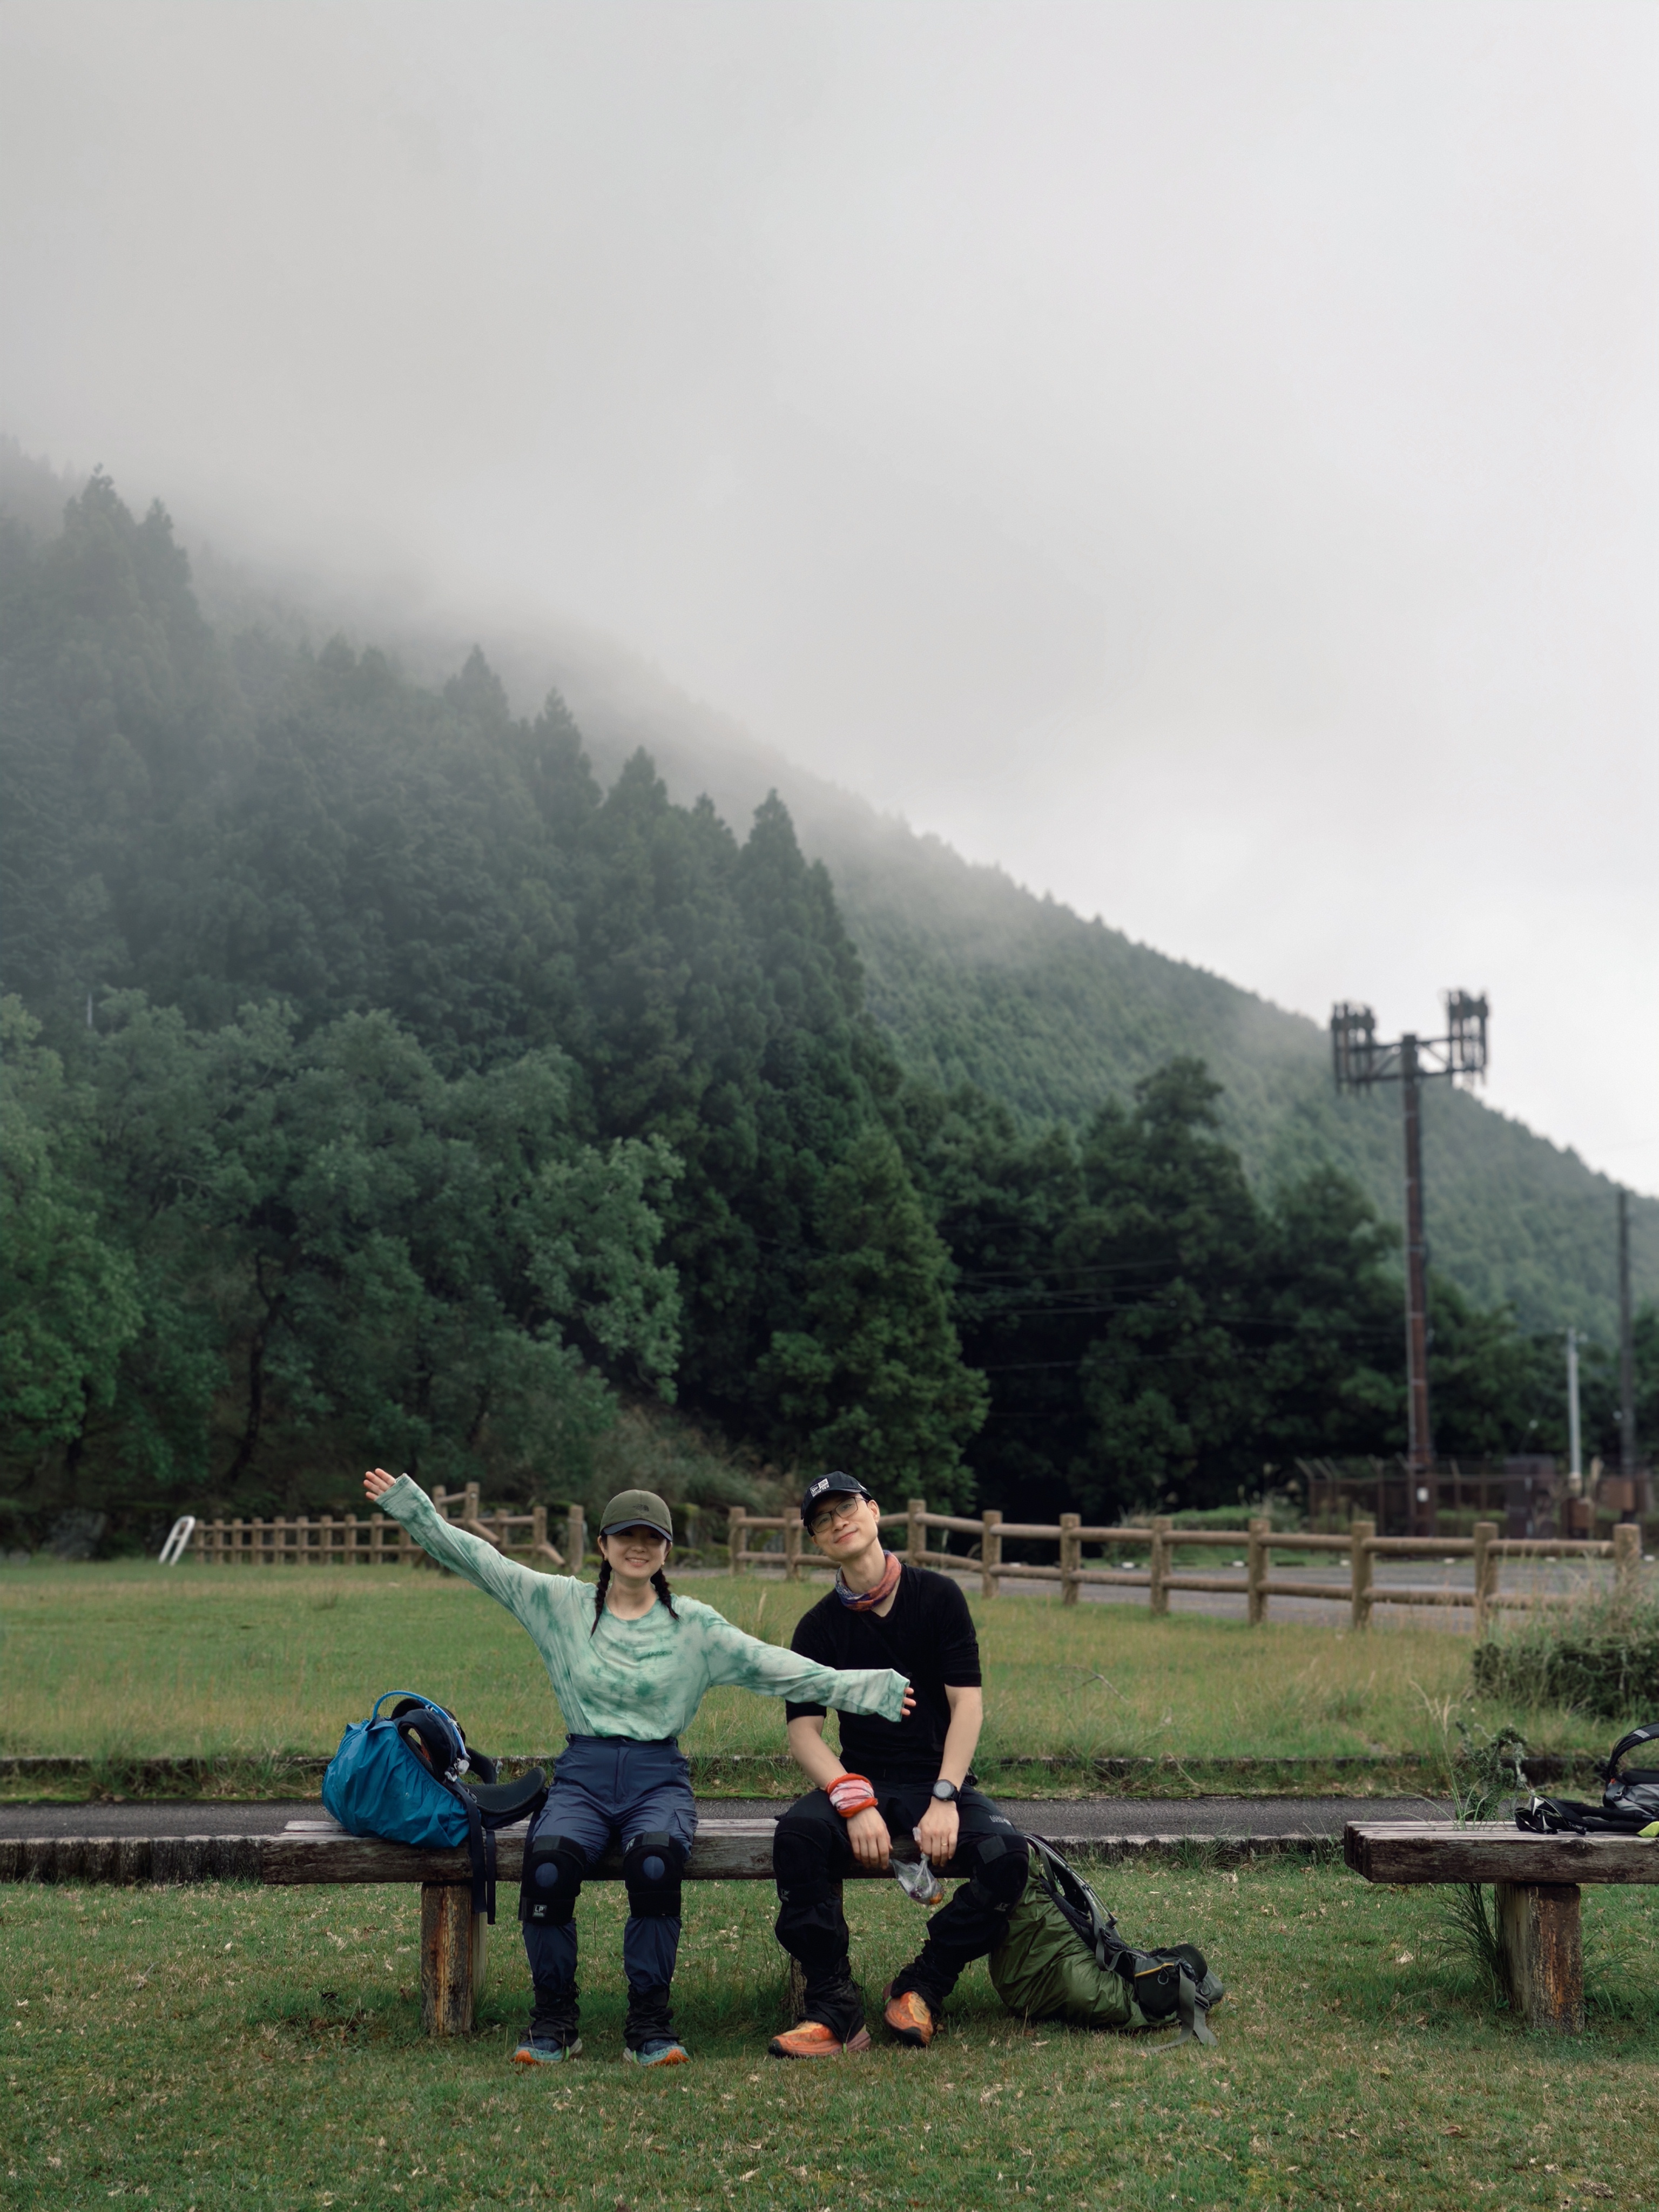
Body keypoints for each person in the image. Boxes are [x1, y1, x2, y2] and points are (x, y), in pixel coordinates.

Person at [362, 1469, 911, 2069]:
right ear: (604, 1544)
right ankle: (554, 2020)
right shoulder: (560, 1604)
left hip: (658, 1779)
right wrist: (412, 1508)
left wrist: (871, 1690)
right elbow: (480, 1560)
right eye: (626, 1535)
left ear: (667, 1550)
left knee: (655, 1863)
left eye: (652, 1537)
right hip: (583, 1776)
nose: (639, 1546)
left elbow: (778, 1666)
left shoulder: (695, 1626)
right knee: (547, 1868)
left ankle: (650, 2024)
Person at [767, 1470, 1028, 2058]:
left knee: (1007, 1856)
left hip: (938, 1782)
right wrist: (851, 1799)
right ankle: (833, 2010)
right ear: (817, 1541)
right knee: (799, 1835)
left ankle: (922, 1987)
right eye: (823, 1520)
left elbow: (967, 1706)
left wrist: (946, 1796)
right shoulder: (817, 1628)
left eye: (847, 1508)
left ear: (875, 1511)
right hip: (865, 1782)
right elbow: (803, 1734)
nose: (839, 1523)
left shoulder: (938, 1597)